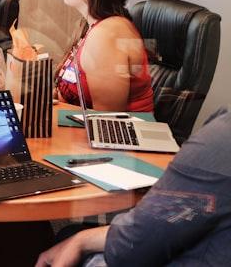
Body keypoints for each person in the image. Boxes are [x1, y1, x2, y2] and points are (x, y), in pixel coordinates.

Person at [35, 107, 231, 267]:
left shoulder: (223, 138)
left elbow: (133, 249)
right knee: (70, 235)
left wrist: (80, 241)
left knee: (64, 239)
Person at [55, 0, 153, 112]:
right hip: (85, 125)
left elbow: (107, 120)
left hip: (118, 133)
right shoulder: (91, 26)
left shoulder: (107, 34)